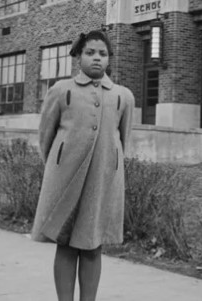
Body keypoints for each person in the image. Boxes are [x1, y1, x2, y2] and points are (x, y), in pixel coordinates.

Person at [32, 30, 134, 301]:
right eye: (90, 52)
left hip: (102, 180)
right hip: (65, 178)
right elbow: (45, 137)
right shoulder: (61, 90)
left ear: (110, 58)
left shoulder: (123, 96)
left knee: (92, 246)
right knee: (65, 244)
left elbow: (124, 139)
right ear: (79, 56)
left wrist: (110, 165)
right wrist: (59, 164)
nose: (96, 58)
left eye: (102, 53)